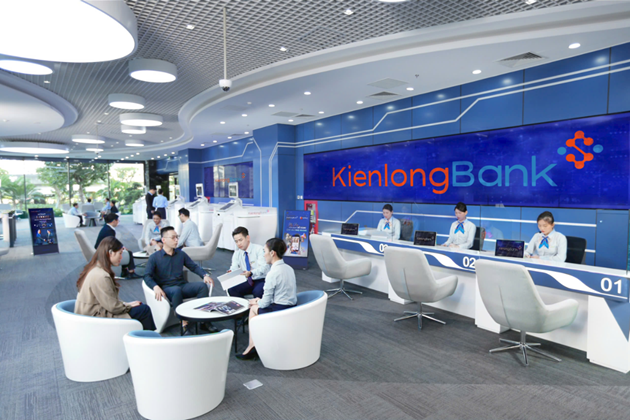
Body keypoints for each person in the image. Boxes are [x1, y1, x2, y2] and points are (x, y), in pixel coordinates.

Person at [144, 226, 217, 334]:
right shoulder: (154, 257)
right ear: (164, 240)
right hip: (167, 288)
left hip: (182, 285)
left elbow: (193, 266)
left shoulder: (180, 254)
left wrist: (204, 275)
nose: (176, 240)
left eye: (177, 237)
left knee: (202, 286)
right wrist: (155, 287)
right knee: (176, 290)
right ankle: (184, 324)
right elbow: (147, 276)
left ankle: (204, 321)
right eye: (173, 237)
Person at [236, 238, 297, 361]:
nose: (263, 254)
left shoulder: (272, 273)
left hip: (279, 310)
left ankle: (252, 346)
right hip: (292, 309)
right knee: (256, 302)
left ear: (272, 253)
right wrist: (260, 300)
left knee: (253, 308)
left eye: (265, 251)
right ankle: (256, 344)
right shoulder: (289, 268)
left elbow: (264, 304)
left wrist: (257, 301)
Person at [75, 236, 156, 330]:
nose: (121, 257)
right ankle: (148, 337)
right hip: (96, 317)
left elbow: (108, 301)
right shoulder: (101, 276)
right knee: (144, 310)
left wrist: (127, 304)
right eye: (120, 253)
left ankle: (143, 336)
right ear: (110, 253)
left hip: (91, 313)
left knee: (139, 307)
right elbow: (113, 307)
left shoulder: (95, 268)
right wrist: (128, 305)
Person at [227, 226, 270, 299]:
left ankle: (256, 306)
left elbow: (264, 268)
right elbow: (234, 267)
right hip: (246, 280)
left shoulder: (259, 249)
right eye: (236, 241)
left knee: (258, 292)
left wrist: (251, 273)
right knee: (232, 290)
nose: (238, 243)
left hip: (261, 279)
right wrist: (231, 271)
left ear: (247, 238)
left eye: (240, 240)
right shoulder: (237, 253)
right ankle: (243, 306)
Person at [95, 213, 140, 279]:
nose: (118, 222)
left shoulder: (106, 228)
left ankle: (125, 271)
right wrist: (121, 248)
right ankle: (131, 272)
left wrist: (122, 247)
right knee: (129, 253)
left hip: (102, 249)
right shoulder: (109, 230)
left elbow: (112, 242)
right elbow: (112, 243)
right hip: (104, 252)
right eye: (118, 220)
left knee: (123, 251)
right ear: (114, 221)